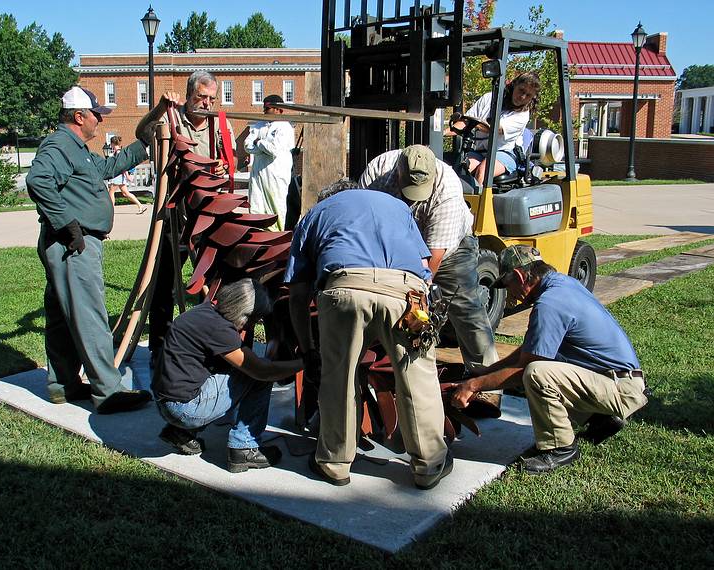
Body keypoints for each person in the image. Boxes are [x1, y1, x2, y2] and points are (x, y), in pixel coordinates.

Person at [285, 180, 452, 490]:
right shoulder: (398, 206)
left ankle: (335, 463)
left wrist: (308, 349)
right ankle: (429, 465)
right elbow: (425, 264)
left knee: (338, 377)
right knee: (417, 377)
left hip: (344, 288)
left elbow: (297, 294)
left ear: (329, 198)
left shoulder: (314, 214)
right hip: (406, 291)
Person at [450, 245, 649, 474]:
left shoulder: (550, 304)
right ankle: (602, 418)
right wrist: (485, 372)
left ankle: (560, 447)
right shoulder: (563, 285)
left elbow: (524, 369)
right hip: (618, 379)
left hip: (621, 388)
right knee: (541, 366)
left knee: (537, 374)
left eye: (508, 286)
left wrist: (472, 386)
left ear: (519, 276)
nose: (509, 295)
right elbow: (530, 349)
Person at [26, 86, 153, 413]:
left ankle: (62, 384)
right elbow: (39, 180)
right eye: (97, 114)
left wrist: (145, 145)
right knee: (89, 314)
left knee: (60, 316)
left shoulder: (77, 149)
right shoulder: (59, 145)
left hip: (69, 242)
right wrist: (68, 225)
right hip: (73, 244)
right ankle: (108, 391)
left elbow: (106, 169)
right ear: (79, 116)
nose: (100, 119)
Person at [358, 145, 498, 373]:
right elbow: (366, 223)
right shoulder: (378, 171)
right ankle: (388, 366)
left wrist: (416, 296)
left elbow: (431, 264)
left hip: (448, 252)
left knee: (466, 308)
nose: (412, 198)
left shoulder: (448, 192)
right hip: (393, 245)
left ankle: (486, 378)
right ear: (398, 172)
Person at [135, 71, 237, 364]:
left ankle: (215, 343)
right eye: (200, 97)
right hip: (174, 214)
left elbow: (232, 159)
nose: (205, 104)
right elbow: (142, 134)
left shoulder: (220, 123)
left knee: (215, 279)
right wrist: (158, 108)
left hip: (209, 213)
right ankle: (160, 347)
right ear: (189, 94)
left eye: (210, 99)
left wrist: (221, 167)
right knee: (165, 279)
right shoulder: (171, 118)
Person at [152, 278, 303, 471]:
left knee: (237, 368)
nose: (251, 327)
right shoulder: (221, 330)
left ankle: (181, 433)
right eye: (254, 321)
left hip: (166, 402)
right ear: (244, 314)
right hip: (184, 408)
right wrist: (301, 363)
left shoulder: (204, 312)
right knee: (258, 376)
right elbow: (262, 371)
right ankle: (244, 447)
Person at [447, 72, 540, 187]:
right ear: (514, 84)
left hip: (505, 153)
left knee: (483, 170)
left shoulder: (523, 115)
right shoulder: (488, 98)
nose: (522, 97)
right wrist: (440, 134)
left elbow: (495, 130)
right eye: (521, 90)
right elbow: (465, 122)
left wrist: (472, 123)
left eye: (528, 95)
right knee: (459, 171)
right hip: (481, 152)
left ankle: (478, 203)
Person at [244, 94, 295, 232]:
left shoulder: (285, 127)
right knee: (256, 207)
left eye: (268, 108)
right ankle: (257, 239)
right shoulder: (259, 124)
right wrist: (262, 145)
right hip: (258, 174)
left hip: (276, 175)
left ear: (278, 109)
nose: (264, 111)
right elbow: (247, 145)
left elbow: (274, 149)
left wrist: (259, 142)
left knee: (276, 207)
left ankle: (277, 239)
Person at [107, 136, 147, 215]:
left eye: (111, 144)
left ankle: (110, 211)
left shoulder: (118, 153)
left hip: (118, 175)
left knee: (111, 192)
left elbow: (122, 165)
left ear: (112, 144)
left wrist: (127, 176)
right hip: (120, 175)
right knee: (125, 193)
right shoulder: (118, 152)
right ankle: (141, 206)